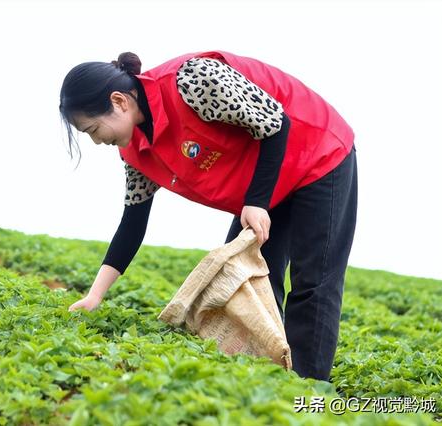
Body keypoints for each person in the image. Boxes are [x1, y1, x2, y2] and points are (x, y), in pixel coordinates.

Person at [58, 50, 358, 382]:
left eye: (92, 128)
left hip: (316, 153)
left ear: (119, 101)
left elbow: (275, 121)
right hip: (266, 180)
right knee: (241, 278)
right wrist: (94, 296)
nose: (97, 141)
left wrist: (257, 202)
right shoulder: (135, 151)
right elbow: (132, 223)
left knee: (314, 282)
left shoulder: (191, 80)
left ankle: (307, 392)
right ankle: (267, 379)